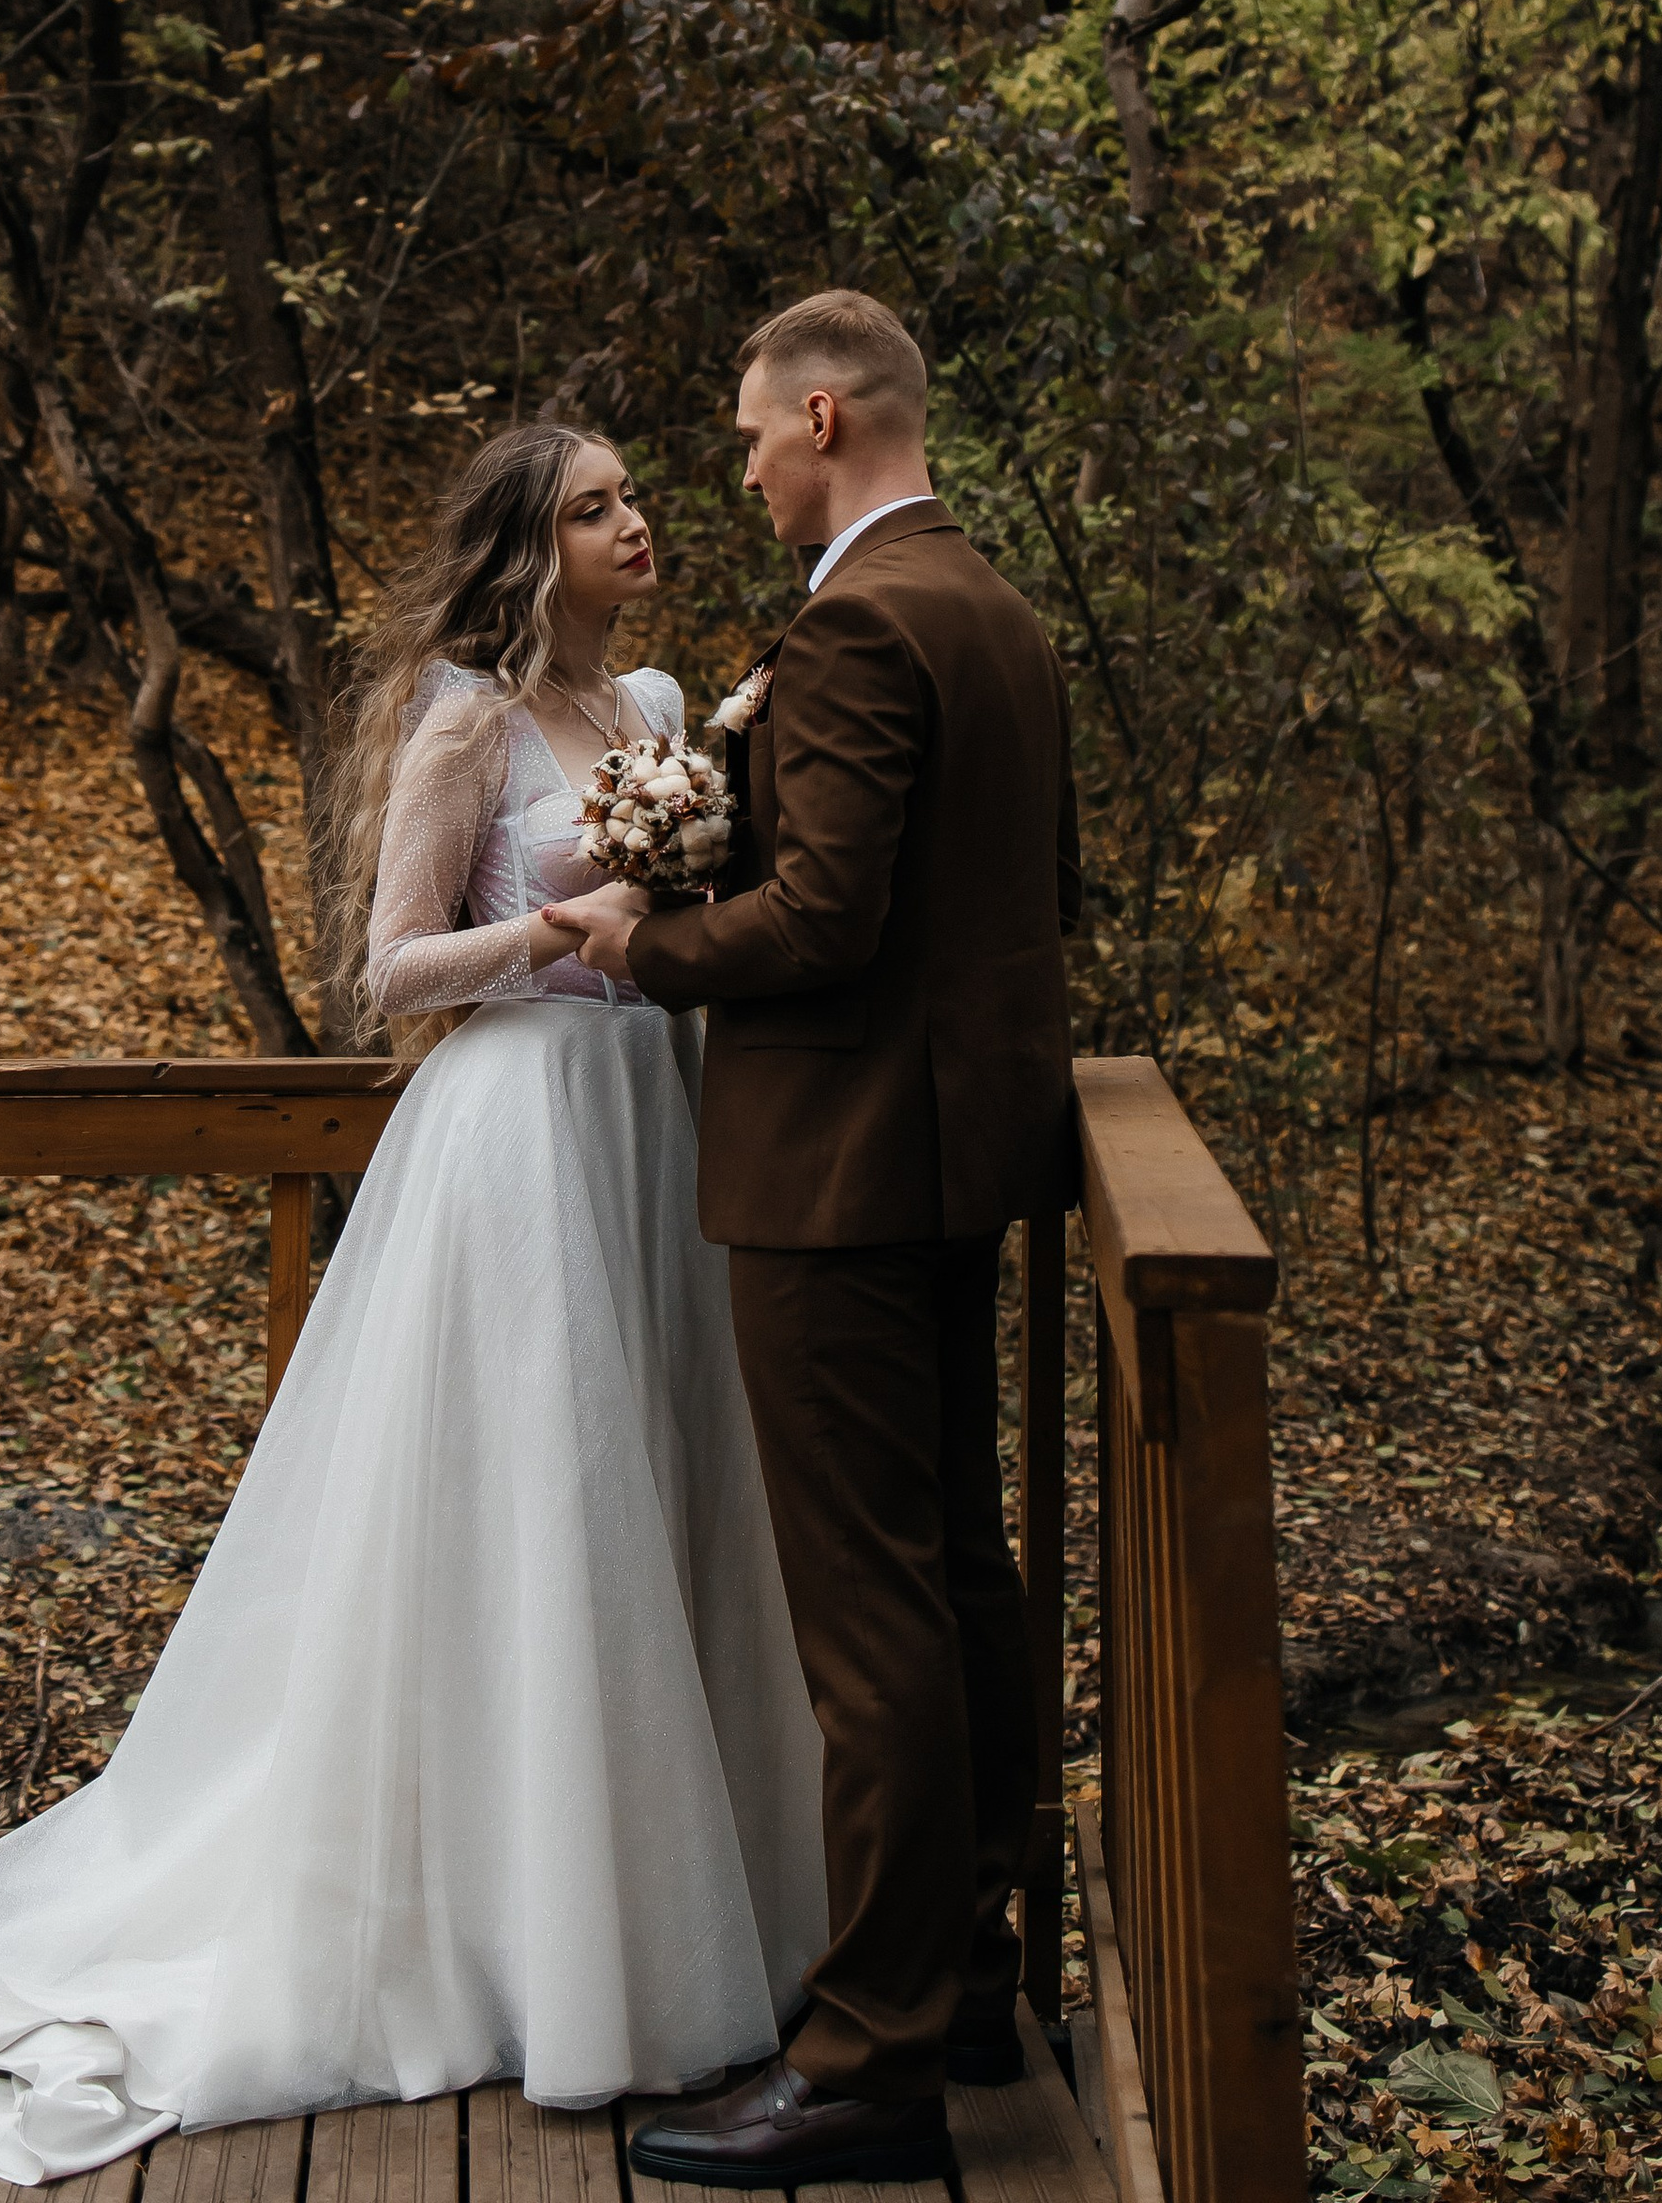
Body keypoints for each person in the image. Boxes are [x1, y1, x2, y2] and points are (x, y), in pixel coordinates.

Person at [0, 425, 824, 2188]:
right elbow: (386, 967)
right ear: (528, 549)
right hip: (518, 1136)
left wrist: (684, 895)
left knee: (660, 1501)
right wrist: (560, 933)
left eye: (631, 496)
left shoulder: (660, 699)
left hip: (656, 1128)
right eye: (592, 508)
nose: (634, 520)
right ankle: (535, 1958)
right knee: (542, 1513)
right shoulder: (467, 725)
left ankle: (676, 1924)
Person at [548, 290, 1080, 2193]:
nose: (746, 462)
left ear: (829, 413)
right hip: (949, 1162)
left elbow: (828, 924)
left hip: (836, 1176)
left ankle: (864, 2063)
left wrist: (642, 943)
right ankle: (959, 1983)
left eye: (759, 432)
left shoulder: (861, 618)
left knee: (869, 1624)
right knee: (953, 1577)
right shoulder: (994, 610)